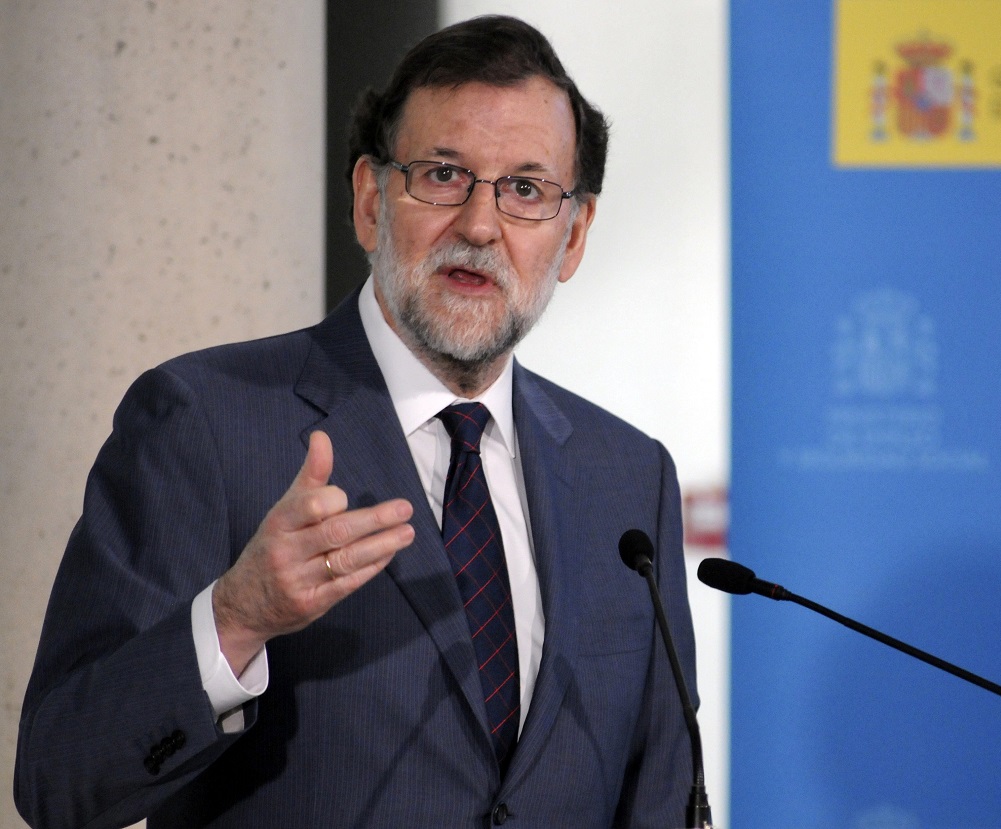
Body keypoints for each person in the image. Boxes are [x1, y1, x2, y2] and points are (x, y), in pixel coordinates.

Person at [15, 15, 697, 829]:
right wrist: (236, 618)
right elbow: (60, 781)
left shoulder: (627, 475)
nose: (480, 226)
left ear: (573, 234)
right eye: (444, 174)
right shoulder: (204, 423)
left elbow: (661, 795)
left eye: (524, 189)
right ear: (372, 200)